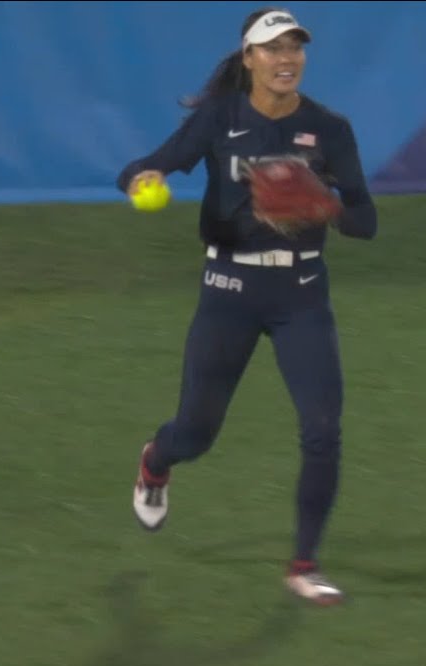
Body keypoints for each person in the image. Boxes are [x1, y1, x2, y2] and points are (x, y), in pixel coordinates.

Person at [115, 6, 378, 607]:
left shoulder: (329, 129)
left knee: (323, 429)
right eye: (274, 48)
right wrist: (141, 181)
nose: (287, 59)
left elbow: (366, 221)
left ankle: (305, 565)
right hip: (228, 290)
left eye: (295, 48)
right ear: (250, 58)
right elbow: (144, 166)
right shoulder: (220, 118)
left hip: (301, 293)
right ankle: (156, 462)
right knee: (196, 434)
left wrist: (327, 207)